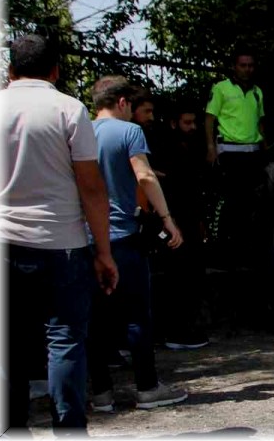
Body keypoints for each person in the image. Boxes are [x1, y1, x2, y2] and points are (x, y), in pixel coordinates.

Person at [0, 35, 118, 434]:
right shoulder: (69, 109)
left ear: (10, 69)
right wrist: (103, 251)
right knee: (65, 341)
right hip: (61, 245)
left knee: (7, 346)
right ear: (55, 70)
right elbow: (91, 187)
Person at [87, 76, 187, 412]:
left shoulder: (78, 132)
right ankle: (147, 387)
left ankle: (100, 392)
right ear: (122, 103)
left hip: (86, 237)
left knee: (94, 317)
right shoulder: (129, 132)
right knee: (137, 314)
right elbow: (143, 175)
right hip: (123, 236)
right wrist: (167, 217)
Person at [153, 103, 211, 349]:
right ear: (174, 123)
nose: (193, 128)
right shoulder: (164, 152)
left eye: (194, 123)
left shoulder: (193, 149)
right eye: (187, 123)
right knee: (176, 275)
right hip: (172, 220)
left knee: (191, 274)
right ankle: (175, 332)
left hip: (189, 218)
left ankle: (188, 328)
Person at [205, 49, 266, 263]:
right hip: (230, 151)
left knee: (250, 201)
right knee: (230, 200)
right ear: (234, 67)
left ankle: (243, 248)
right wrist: (211, 148)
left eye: (250, 65)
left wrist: (265, 147)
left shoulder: (258, 91)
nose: (247, 69)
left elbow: (260, 122)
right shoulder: (221, 88)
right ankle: (222, 248)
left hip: (253, 151)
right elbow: (210, 119)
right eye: (243, 65)